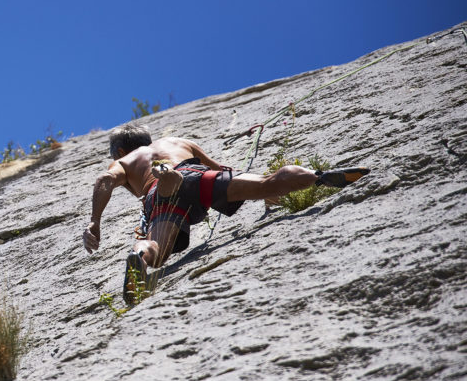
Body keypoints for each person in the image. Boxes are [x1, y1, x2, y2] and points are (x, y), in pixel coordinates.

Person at [82, 124, 369, 301]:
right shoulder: (179, 142)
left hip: (161, 197)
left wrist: (95, 223)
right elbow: (220, 169)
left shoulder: (126, 161)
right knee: (267, 183)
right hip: (196, 175)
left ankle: (140, 257)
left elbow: (104, 182)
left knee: (156, 251)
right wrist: (265, 193)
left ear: (119, 150)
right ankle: (317, 176)